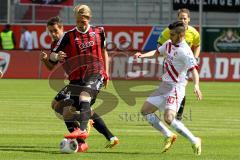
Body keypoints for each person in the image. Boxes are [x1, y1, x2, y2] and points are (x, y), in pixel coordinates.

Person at [40, 13, 118, 152]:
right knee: (59, 106)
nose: (53, 33)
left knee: (65, 108)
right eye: (50, 31)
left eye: (55, 31)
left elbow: (99, 50)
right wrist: (46, 59)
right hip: (73, 81)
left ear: (62, 29)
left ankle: (82, 136)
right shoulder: (56, 44)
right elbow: (51, 66)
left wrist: (104, 72)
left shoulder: (71, 39)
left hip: (83, 80)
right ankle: (103, 133)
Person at [134, 21, 202, 155]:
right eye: (170, 34)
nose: (170, 36)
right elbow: (157, 52)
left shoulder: (185, 51)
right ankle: (168, 135)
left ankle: (195, 140)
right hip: (164, 86)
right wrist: (142, 55)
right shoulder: (169, 44)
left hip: (176, 88)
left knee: (169, 118)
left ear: (181, 34)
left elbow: (194, 70)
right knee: (145, 111)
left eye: (172, 34)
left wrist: (196, 85)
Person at [157, 8, 200, 120]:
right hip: (171, 64)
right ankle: (169, 111)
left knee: (181, 87)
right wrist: (166, 54)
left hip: (183, 65)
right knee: (169, 87)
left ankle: (177, 116)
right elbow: (159, 43)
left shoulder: (194, 32)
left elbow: (197, 45)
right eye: (181, 18)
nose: (183, 20)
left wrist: (195, 57)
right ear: (178, 19)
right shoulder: (168, 31)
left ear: (189, 19)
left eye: (185, 18)